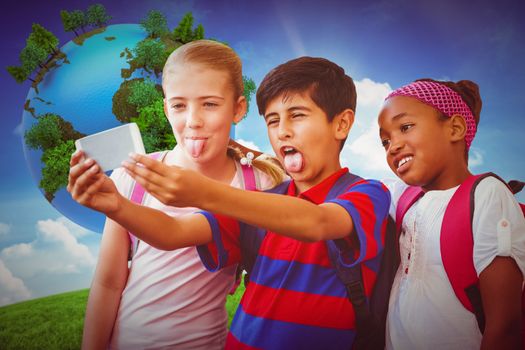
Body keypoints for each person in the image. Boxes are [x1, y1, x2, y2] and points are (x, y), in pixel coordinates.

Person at [69, 56, 391, 349]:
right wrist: (116, 206)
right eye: (273, 120)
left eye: (297, 116)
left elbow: (316, 222)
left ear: (342, 123)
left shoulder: (366, 193)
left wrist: (203, 192)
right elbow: (172, 232)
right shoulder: (260, 202)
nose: (283, 132)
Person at [71, 40, 284, 350]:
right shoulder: (132, 177)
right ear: (165, 108)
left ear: (238, 109)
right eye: (179, 105)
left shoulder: (260, 181)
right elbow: (108, 282)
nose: (193, 120)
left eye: (210, 104)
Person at [378, 79, 525, 349]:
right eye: (385, 140)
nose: (393, 146)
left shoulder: (486, 194)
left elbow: (505, 326)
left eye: (405, 127)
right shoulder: (403, 197)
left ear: (455, 128)